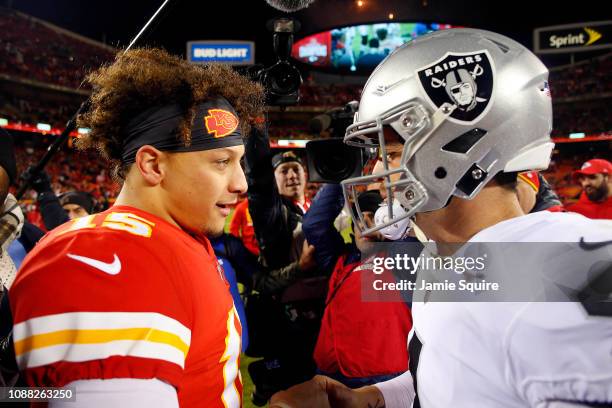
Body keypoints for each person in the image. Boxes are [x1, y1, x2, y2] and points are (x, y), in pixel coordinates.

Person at [271, 28, 612, 407]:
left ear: (455, 150)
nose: (376, 170)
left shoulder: (561, 273)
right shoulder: (446, 253)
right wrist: (374, 397)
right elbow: (455, 372)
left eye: (392, 151)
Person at [9, 48, 265, 407]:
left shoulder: (174, 238)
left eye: (239, 162)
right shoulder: (107, 258)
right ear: (152, 165)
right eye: (221, 162)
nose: (242, 183)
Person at [302, 184, 412, 388]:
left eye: (374, 218)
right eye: (358, 218)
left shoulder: (404, 257)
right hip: (333, 372)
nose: (365, 225)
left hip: (387, 379)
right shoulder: (340, 259)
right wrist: (337, 178)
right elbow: (313, 225)